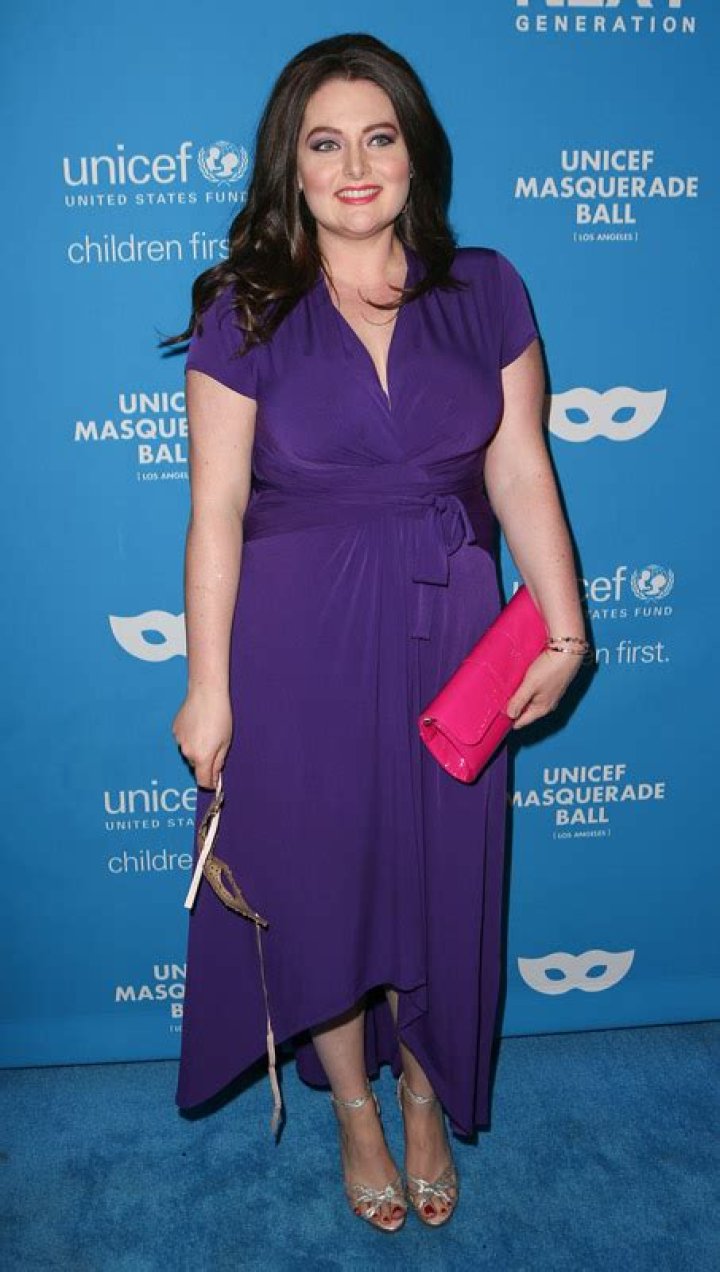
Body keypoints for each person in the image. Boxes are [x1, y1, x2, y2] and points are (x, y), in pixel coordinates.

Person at [166, 32, 587, 1233]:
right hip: (293, 642)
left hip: (451, 629)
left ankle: (423, 1091)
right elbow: (215, 510)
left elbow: (520, 466)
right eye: (326, 143)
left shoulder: (487, 289)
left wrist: (564, 629)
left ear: (415, 154)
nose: (355, 167)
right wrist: (208, 685)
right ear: (290, 166)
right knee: (325, 881)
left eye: (379, 138)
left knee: (441, 874)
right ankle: (355, 1105)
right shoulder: (245, 308)